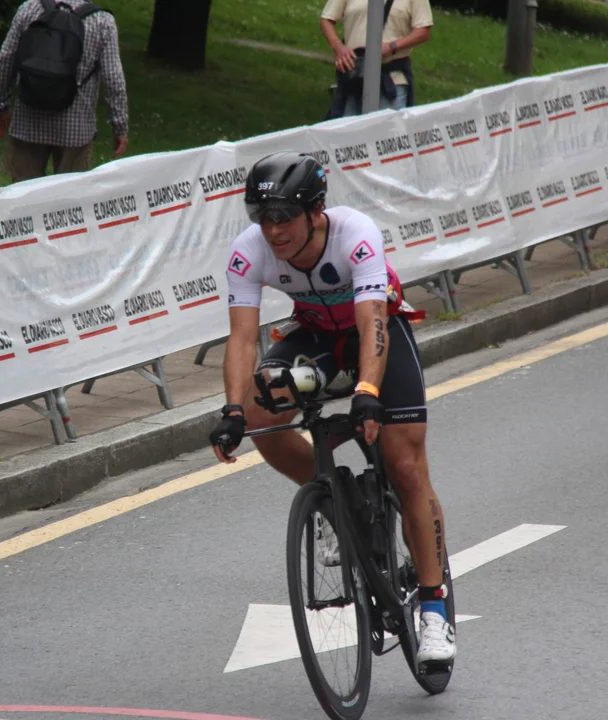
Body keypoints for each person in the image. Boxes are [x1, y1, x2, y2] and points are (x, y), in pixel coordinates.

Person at [208, 151, 455, 664]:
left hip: (377, 332)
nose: (272, 230)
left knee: (405, 467)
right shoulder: (249, 251)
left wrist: (367, 392)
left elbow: (373, 322)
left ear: (316, 211)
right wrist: (232, 412)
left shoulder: (353, 234)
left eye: (284, 217)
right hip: (317, 337)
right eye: (262, 217)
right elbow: (243, 338)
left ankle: (434, 611)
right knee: (259, 414)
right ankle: (335, 498)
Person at [0, 0, 129, 182]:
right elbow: (113, 78)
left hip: (28, 120)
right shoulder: (101, 20)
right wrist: (119, 127)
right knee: (70, 195)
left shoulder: (30, 9)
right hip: (76, 127)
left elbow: (6, 59)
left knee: (23, 194)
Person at [320, 0, 433, 118]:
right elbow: (326, 20)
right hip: (354, 78)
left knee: (387, 128)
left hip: (392, 80)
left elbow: (423, 31)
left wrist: (392, 46)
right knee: (348, 128)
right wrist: (339, 48)